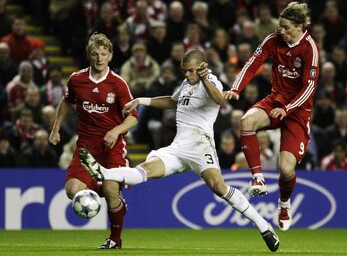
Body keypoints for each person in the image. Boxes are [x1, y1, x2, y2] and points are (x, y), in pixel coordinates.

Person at [79, 48, 280, 252]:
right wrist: (141, 101)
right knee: (145, 171)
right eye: (184, 71)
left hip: (200, 146)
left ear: (202, 67)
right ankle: (103, 173)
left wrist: (204, 79)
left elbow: (220, 100)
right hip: (177, 147)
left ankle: (264, 226)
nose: (187, 74)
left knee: (219, 187)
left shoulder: (211, 80)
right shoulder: (186, 83)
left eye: (191, 71)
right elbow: (172, 101)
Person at [224, 2, 320, 232]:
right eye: (280, 26)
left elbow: (309, 88)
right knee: (246, 121)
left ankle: (284, 205)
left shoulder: (310, 49)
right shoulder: (273, 39)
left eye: (286, 28)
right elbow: (252, 63)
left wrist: (287, 109)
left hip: (298, 111)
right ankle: (257, 178)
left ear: (300, 26)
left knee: (286, 169)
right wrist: (236, 88)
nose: (282, 31)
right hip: (275, 99)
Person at [49, 32, 138, 249]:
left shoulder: (118, 84)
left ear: (110, 56)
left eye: (104, 54)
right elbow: (66, 102)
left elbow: (133, 118)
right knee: (72, 190)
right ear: (89, 55)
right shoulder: (76, 80)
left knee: (109, 189)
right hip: (86, 147)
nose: (99, 58)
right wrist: (56, 128)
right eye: (95, 54)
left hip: (112, 146)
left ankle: (115, 240)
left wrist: (116, 131)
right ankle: (114, 198)